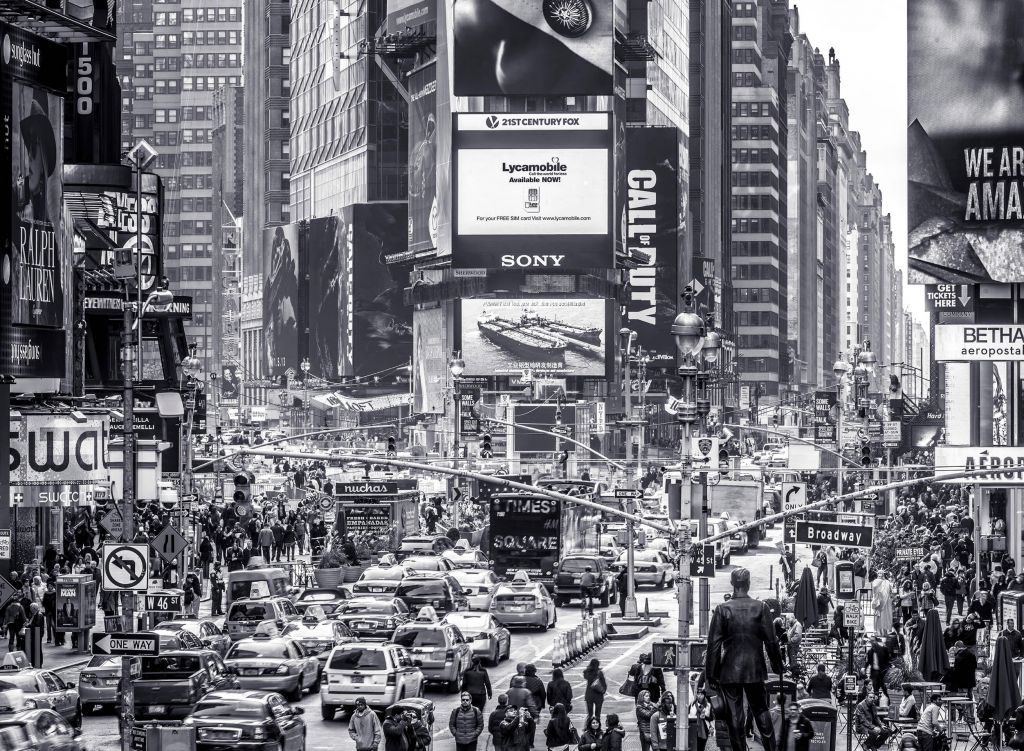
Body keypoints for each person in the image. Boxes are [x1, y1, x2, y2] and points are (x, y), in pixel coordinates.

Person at [706, 567, 783, 751]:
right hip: (754, 669)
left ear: (733, 585)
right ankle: (771, 748)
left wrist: (711, 675)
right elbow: (772, 642)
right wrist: (777, 665)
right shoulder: (761, 607)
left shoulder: (722, 609)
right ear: (748, 584)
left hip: (730, 671)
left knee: (735, 714)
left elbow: (714, 647)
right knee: (761, 709)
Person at [24, 603, 44, 668]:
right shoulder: (35, 615)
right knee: (34, 648)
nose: (30, 610)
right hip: (34, 634)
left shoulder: (39, 615)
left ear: (34, 609)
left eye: (31, 608)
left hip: (37, 634)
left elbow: (37, 625)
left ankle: (38, 662)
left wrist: (28, 625)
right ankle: (35, 662)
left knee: (37, 648)